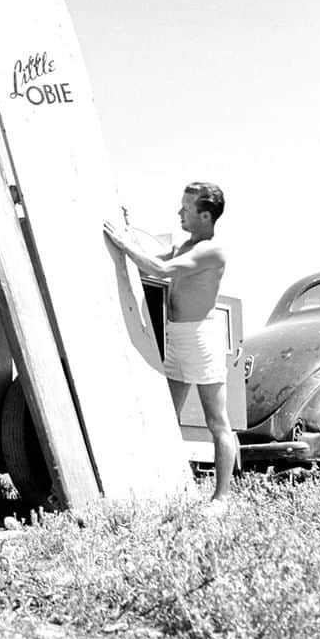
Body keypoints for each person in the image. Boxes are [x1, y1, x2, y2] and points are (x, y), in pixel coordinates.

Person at [104, 182, 235, 511]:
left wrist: (121, 242)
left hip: (201, 339)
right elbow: (149, 255)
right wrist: (126, 229)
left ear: (205, 216)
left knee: (216, 421)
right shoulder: (186, 244)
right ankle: (165, 486)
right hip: (178, 336)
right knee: (167, 417)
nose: (179, 213)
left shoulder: (210, 250)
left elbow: (158, 269)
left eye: (186, 209)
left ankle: (222, 498)